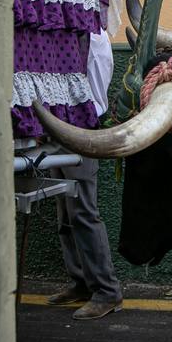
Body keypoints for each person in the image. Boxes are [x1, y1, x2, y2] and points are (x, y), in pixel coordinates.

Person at [45, 29, 123, 319]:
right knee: (65, 212)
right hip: (58, 128)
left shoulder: (97, 41)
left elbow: (96, 97)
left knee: (83, 211)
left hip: (80, 130)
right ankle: (80, 281)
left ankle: (107, 291)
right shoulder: (64, 35)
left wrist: (75, 123)